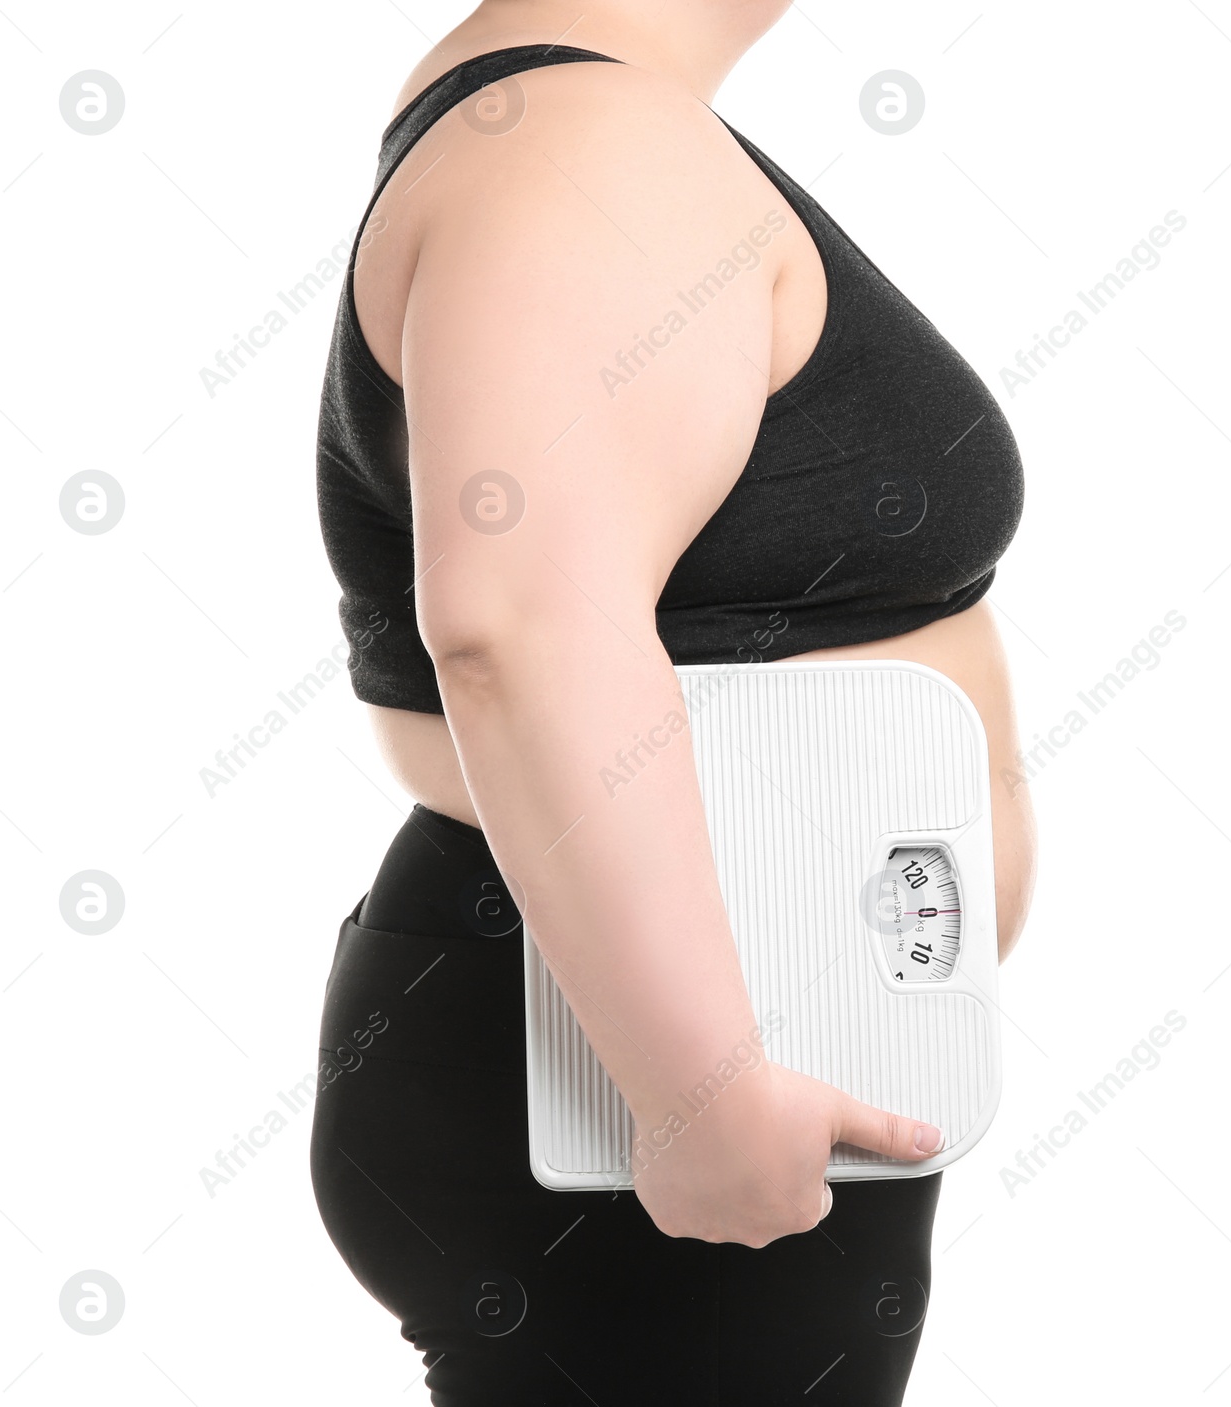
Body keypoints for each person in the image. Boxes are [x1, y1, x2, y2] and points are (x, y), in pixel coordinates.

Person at [309, 2, 1036, 1401]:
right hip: (626, 1066)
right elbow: (518, 625)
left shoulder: (579, 127)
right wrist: (694, 1085)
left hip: (680, 1036)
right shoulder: (585, 146)